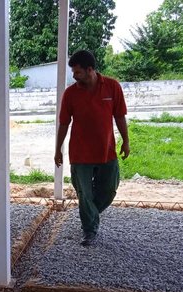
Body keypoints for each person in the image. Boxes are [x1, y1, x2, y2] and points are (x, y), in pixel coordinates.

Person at [54, 50, 130, 246]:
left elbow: (119, 116)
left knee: (109, 189)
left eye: (77, 72)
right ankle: (89, 230)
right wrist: (58, 149)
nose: (74, 76)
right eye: (73, 72)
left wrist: (126, 141)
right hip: (80, 154)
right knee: (84, 194)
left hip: (107, 151)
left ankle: (90, 213)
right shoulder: (70, 94)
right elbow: (63, 123)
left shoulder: (112, 87)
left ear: (90, 70)